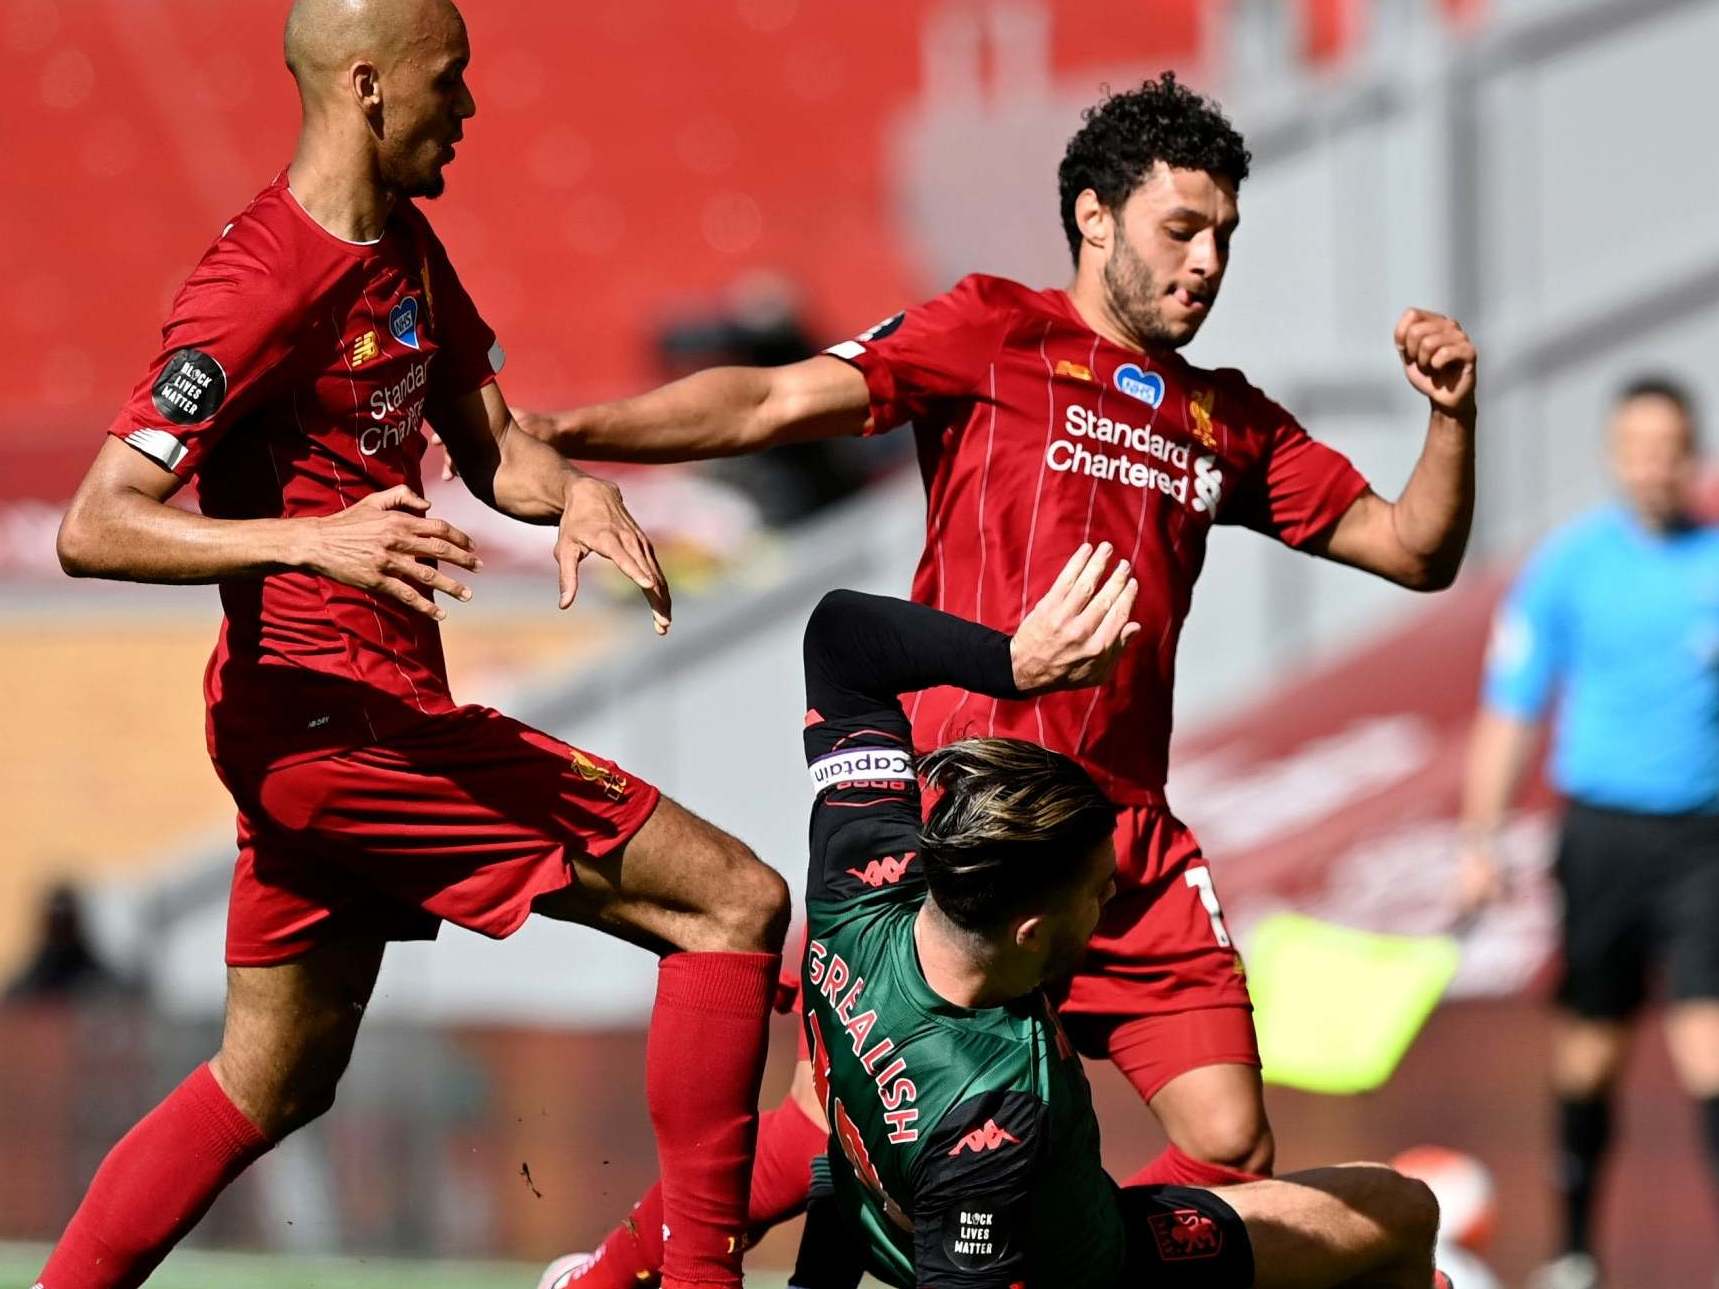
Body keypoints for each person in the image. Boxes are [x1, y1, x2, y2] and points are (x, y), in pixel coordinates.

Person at [524, 70, 1479, 1288]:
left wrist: (1452, 418)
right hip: (966, 817)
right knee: (836, 1124)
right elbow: (769, 398)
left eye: (1225, 237)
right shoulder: (994, 330)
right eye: (1180, 228)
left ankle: (1050, 1251)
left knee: (1230, 1137)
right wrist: (563, 434)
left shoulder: (1226, 422)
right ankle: (606, 1275)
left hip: (1125, 836)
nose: (1207, 262)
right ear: (1093, 216)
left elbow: (1413, 548)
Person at [37, 2, 790, 1287]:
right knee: (734, 901)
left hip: (334, 719)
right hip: (341, 723)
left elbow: (494, 441)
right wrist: (302, 542)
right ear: (371, 85)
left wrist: (583, 494)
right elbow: (94, 524)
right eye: (454, 81)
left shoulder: (407, 247)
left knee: (273, 1076)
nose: (472, 108)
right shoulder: (258, 281)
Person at [787, 549, 1448, 1289]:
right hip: (1099, 1269)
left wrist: (1012, 663)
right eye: (1098, 891)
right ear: (1029, 929)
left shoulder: (859, 878)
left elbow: (840, 634)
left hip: (896, 1226)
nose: (1112, 903)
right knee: (1399, 1207)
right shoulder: (994, 1106)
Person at [1455, 376, 1719, 1289]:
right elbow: (1510, 707)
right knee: (1590, 1047)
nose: (1653, 463)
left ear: (1692, 455)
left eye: (1670, 446)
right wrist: (1479, 837)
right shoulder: (1568, 566)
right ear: (1614, 453)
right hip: (1601, 835)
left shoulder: (1714, 564)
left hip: (1701, 841)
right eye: (1637, 445)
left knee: (1708, 1044)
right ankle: (1574, 1250)